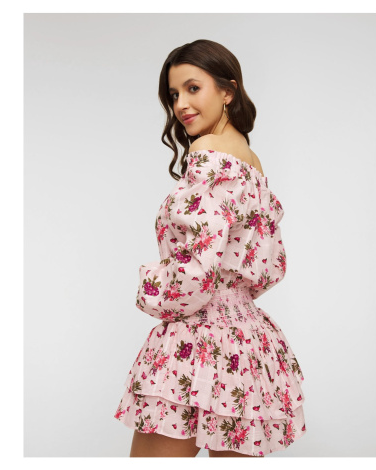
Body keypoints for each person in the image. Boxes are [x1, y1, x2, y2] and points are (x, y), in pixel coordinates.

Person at [114, 39, 306, 458]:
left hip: (196, 337)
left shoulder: (206, 152)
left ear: (228, 91)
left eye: (193, 88)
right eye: (173, 94)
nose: (181, 104)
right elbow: (270, 268)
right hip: (248, 342)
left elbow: (195, 272)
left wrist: (150, 289)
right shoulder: (253, 164)